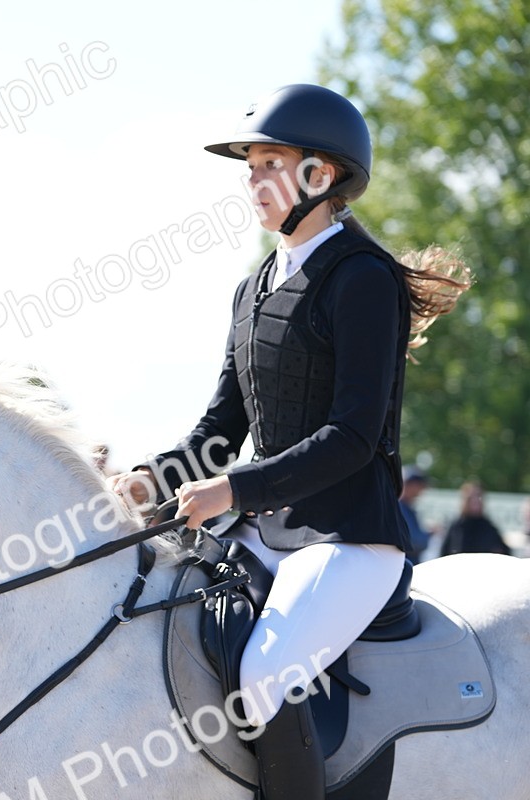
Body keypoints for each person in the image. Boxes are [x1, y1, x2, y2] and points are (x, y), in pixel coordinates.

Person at [109, 84, 472, 799]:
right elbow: (221, 429)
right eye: (248, 167)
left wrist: (233, 489)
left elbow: (353, 437)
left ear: (321, 175)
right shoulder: (251, 291)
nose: (252, 180)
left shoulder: (362, 280)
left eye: (268, 162)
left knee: (263, 679)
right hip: (260, 535)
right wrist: (150, 477)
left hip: (348, 540)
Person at [441, 482, 510, 556]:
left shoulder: (489, 528)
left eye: (478, 497)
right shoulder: (457, 527)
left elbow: (504, 552)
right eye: (471, 498)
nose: (475, 500)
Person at [399, 466, 432, 562]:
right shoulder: (401, 508)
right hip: (404, 564)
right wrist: (429, 534)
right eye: (420, 486)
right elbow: (413, 542)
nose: (422, 491)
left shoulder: (407, 508)